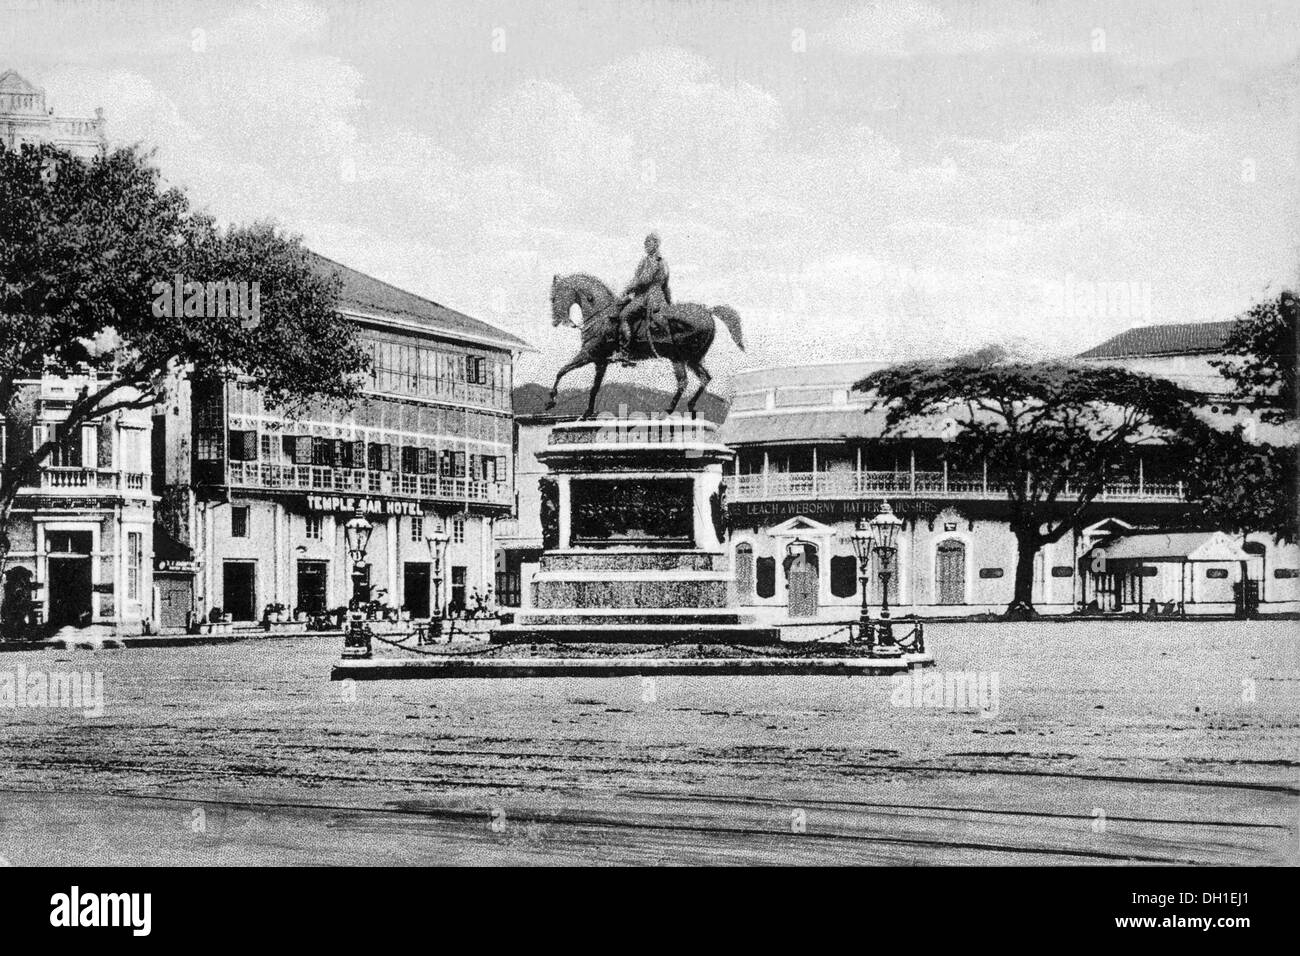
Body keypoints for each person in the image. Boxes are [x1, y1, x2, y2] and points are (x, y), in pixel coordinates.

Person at [611, 232, 672, 365]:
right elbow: (666, 287)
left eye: (648, 243)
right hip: (658, 297)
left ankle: (624, 352)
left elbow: (643, 280)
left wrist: (626, 290)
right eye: (645, 243)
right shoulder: (664, 262)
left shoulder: (652, 260)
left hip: (647, 297)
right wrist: (668, 303)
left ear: (656, 244)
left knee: (624, 316)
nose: (645, 246)